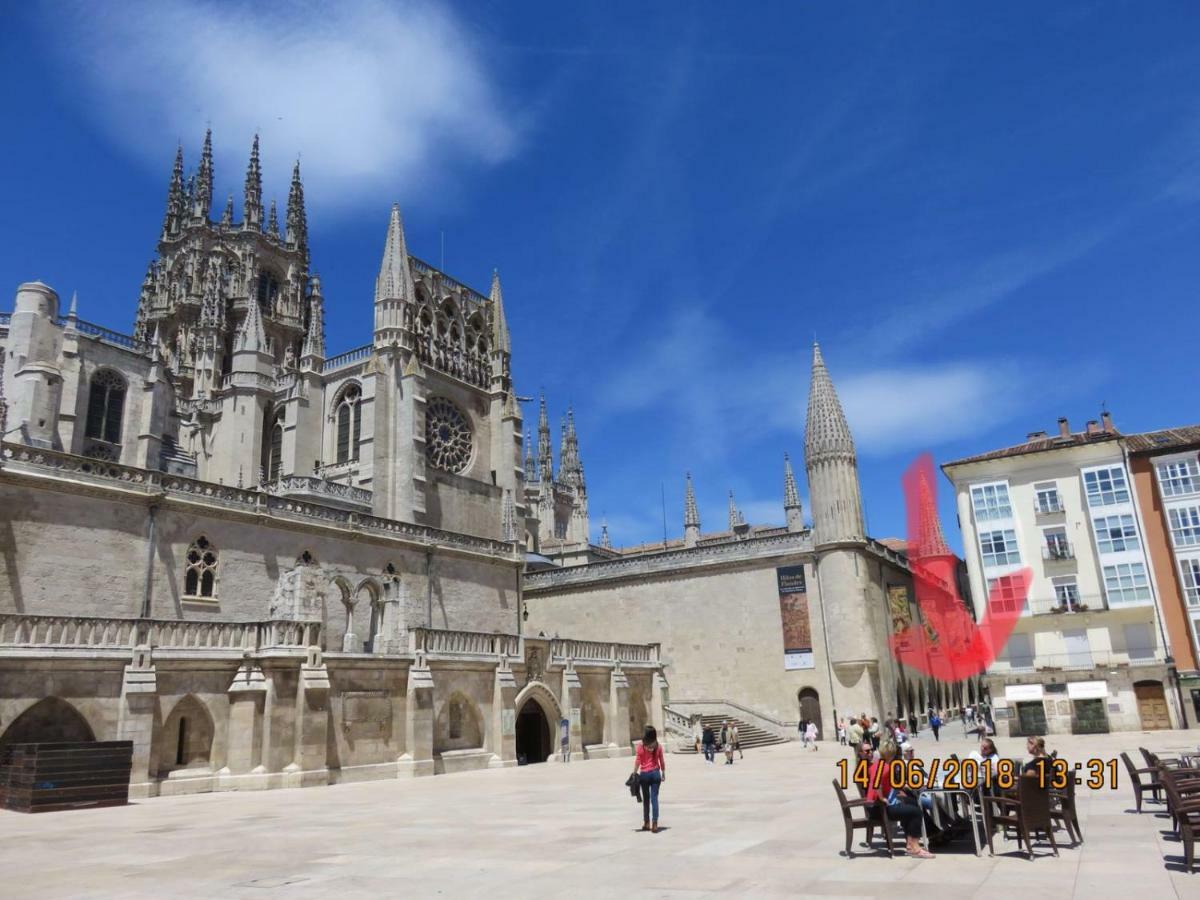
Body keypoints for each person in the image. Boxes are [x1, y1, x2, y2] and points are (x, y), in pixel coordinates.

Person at [866, 741, 934, 859]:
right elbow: (878, 785)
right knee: (916, 812)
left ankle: (910, 844)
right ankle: (916, 848)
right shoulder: (886, 767)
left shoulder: (876, 764)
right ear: (891, 754)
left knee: (912, 803)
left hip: (874, 807)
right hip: (880, 809)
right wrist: (882, 797)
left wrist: (896, 791)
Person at [632, 725, 666, 833]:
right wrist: (663, 772)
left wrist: (634, 772)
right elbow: (661, 760)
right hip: (656, 773)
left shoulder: (641, 746)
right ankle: (655, 823)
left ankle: (646, 823)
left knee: (646, 800)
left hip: (645, 774)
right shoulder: (658, 746)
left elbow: (638, 760)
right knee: (654, 799)